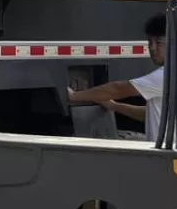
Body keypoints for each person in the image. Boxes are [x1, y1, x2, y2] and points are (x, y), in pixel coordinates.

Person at [69, 12, 168, 140]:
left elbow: (118, 89)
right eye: (149, 42)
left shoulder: (166, 76)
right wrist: (114, 106)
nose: (152, 48)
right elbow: (149, 115)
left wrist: (74, 96)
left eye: (159, 42)